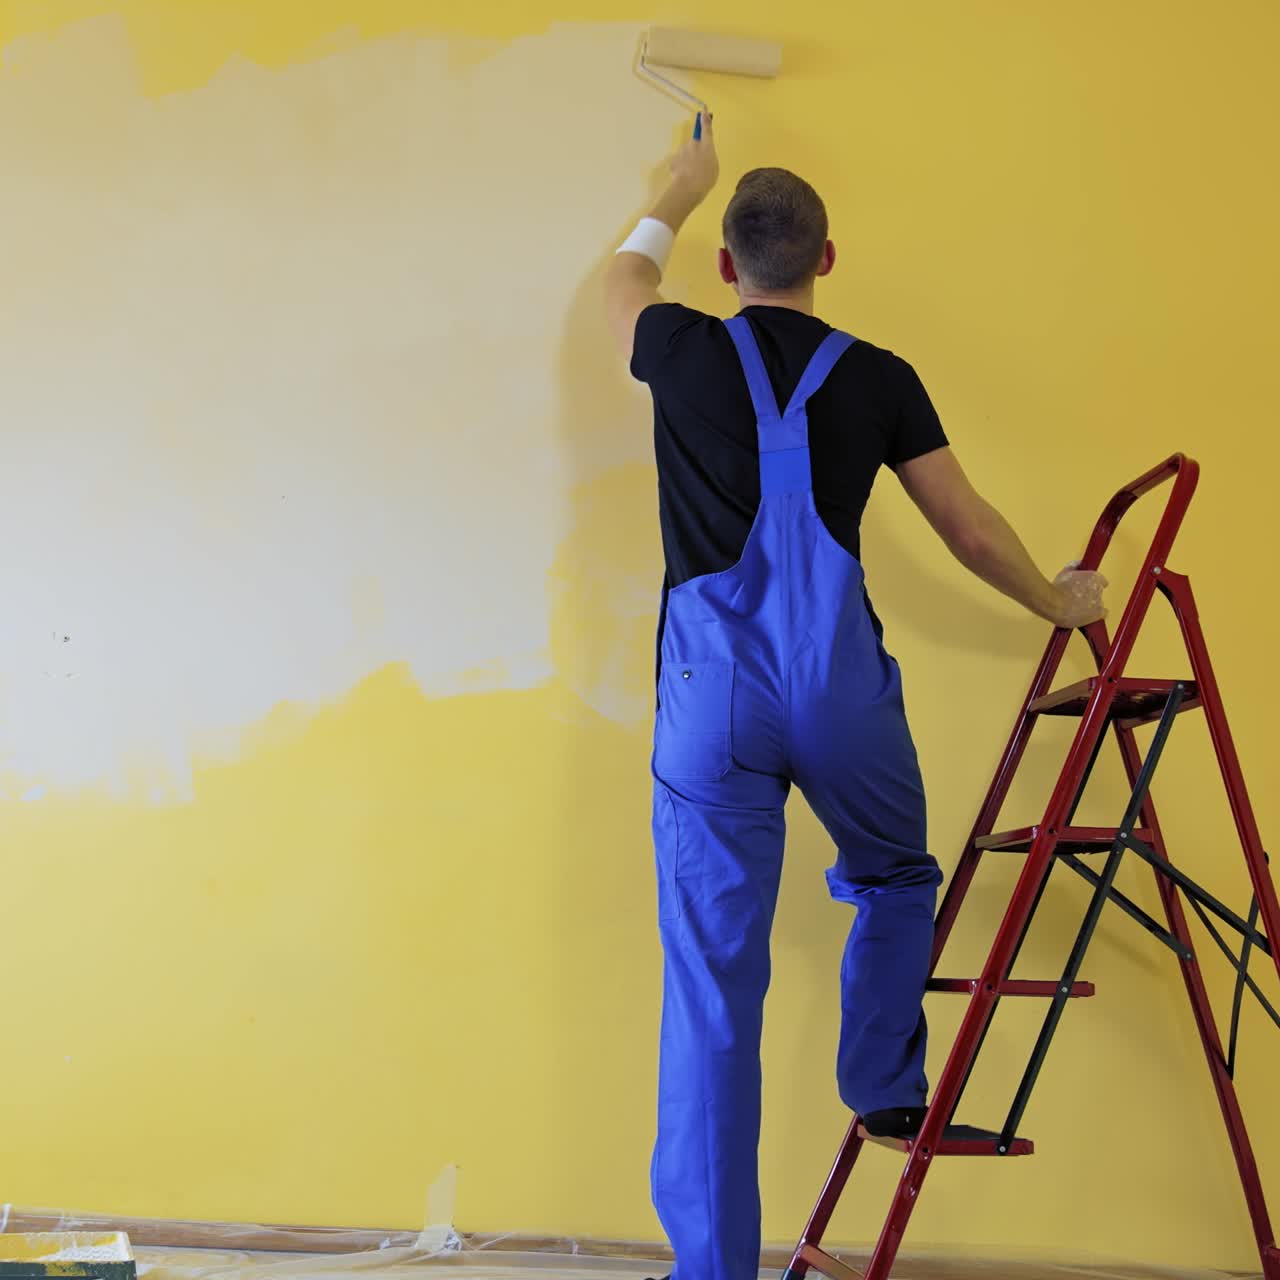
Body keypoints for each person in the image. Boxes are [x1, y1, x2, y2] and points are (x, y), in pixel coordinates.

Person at [603, 114, 1107, 1280]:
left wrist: (676, 188)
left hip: (710, 705)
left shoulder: (675, 345)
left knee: (712, 991)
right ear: (826, 258)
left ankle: (711, 1268)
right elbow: (969, 530)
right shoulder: (878, 378)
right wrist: (1057, 602)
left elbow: (622, 275)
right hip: (837, 691)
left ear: (728, 266)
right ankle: (882, 1085)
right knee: (894, 875)